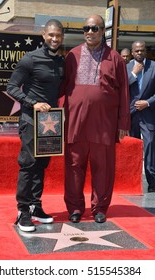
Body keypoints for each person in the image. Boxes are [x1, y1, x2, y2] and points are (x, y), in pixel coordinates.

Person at [60, 15, 130, 224]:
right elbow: (62, 88)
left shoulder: (115, 58)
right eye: (86, 28)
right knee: (73, 166)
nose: (90, 32)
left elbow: (124, 93)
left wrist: (123, 124)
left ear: (102, 31)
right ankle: (74, 208)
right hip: (76, 123)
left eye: (94, 28)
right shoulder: (72, 55)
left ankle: (100, 208)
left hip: (103, 125)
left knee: (103, 167)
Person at [7, 19, 64, 232]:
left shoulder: (61, 61)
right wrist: (33, 103)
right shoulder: (30, 59)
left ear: (62, 37)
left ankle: (35, 206)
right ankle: (22, 210)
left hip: (50, 122)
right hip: (31, 120)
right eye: (51, 34)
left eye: (58, 35)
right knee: (28, 164)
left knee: (42, 165)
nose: (54, 39)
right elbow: (11, 87)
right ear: (43, 34)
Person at [127, 40, 155, 193]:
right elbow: (121, 87)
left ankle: (152, 182)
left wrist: (148, 102)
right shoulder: (126, 68)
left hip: (148, 114)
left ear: (146, 51)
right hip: (131, 115)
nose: (139, 53)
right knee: (132, 148)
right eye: (136, 51)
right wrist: (133, 74)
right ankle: (132, 183)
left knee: (150, 146)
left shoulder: (154, 67)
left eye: (142, 50)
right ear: (132, 52)